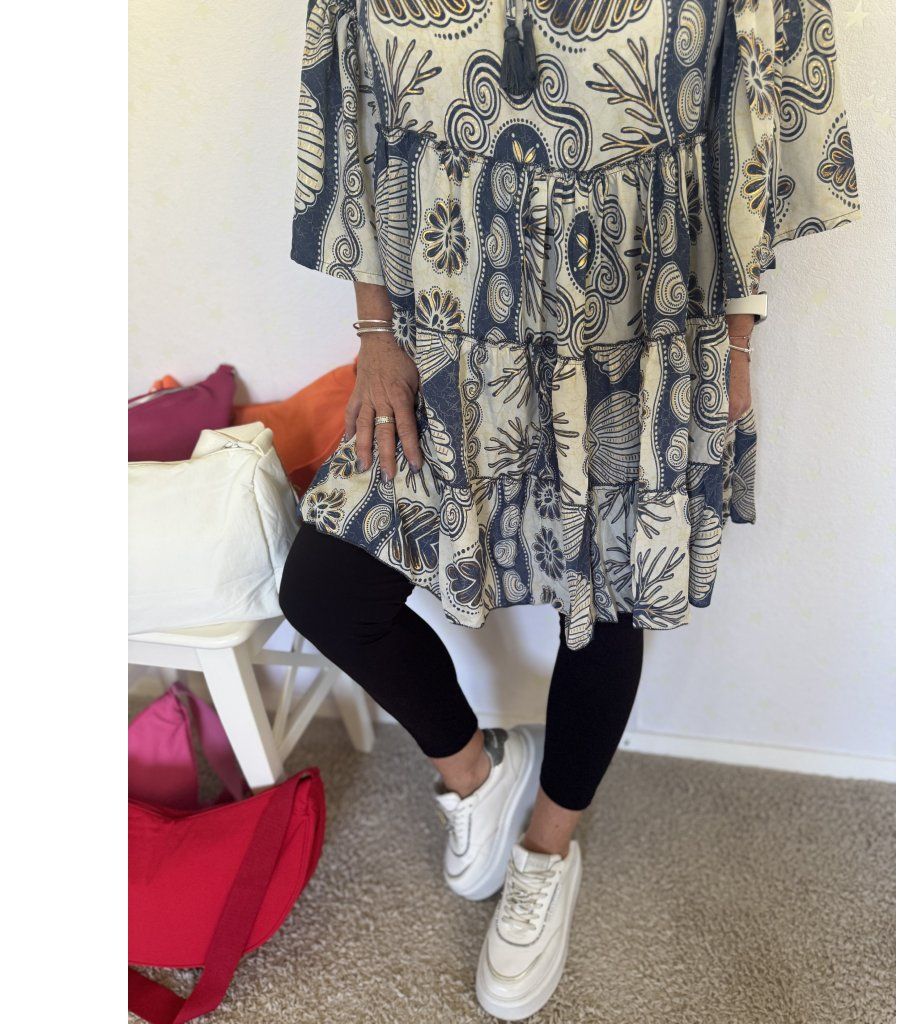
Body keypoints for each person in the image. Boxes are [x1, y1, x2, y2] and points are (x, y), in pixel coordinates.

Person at [281, 0, 860, 1017]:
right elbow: (354, 110)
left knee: (606, 599)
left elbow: (753, 117)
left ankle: (546, 851)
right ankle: (479, 772)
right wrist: (374, 332)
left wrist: (735, 342)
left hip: (639, 316)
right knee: (326, 586)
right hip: (448, 320)